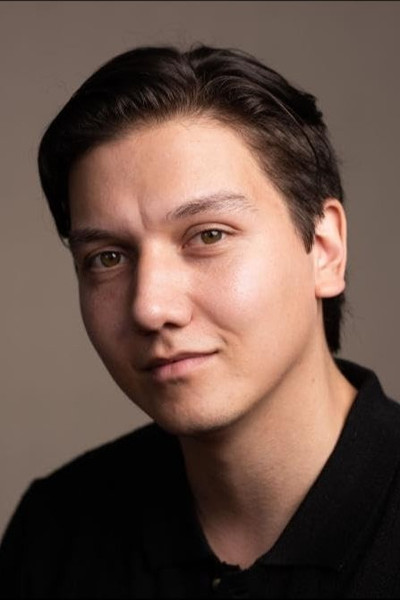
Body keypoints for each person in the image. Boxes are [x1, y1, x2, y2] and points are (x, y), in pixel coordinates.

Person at [1, 43, 400, 599]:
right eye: (107, 258)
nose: (150, 307)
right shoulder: (54, 535)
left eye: (209, 235)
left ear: (325, 250)